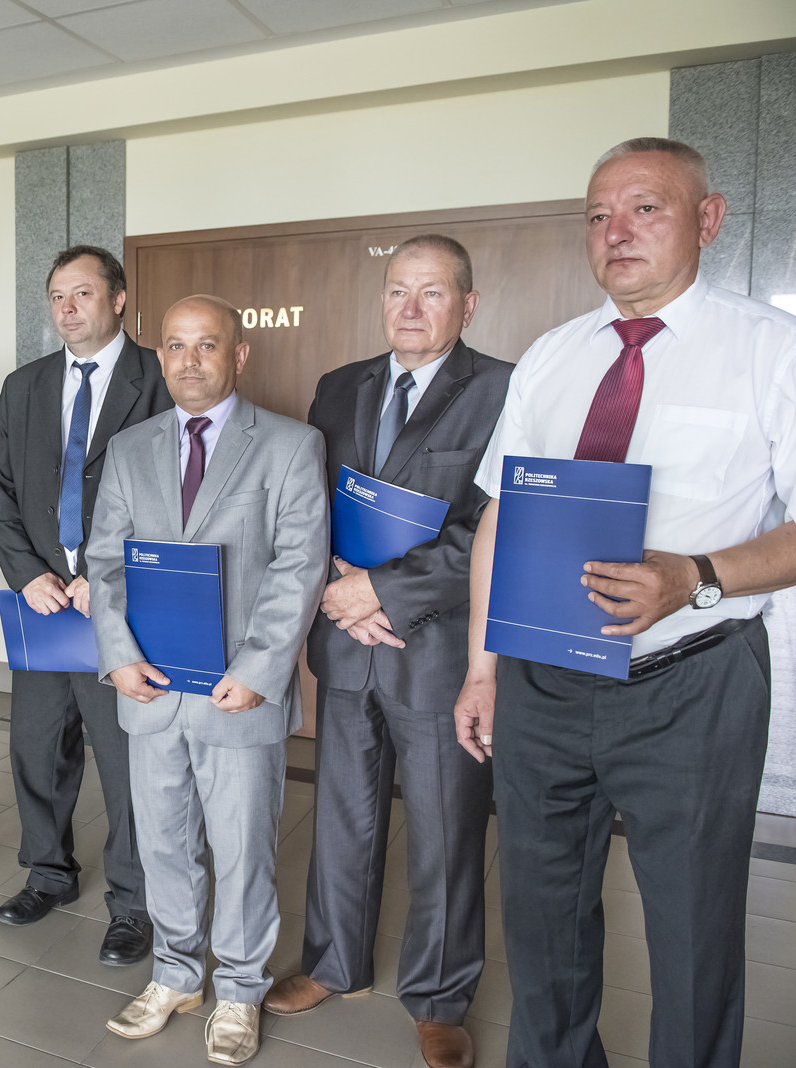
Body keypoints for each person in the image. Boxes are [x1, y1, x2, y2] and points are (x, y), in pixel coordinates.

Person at [454, 138, 796, 1066]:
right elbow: (501, 516)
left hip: (691, 684)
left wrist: (695, 575)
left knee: (691, 927)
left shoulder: (775, 352)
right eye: (598, 215)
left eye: (646, 208)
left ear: (709, 219)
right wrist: (482, 668)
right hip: (543, 676)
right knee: (540, 915)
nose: (617, 232)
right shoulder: (553, 356)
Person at [265, 235, 510, 1068]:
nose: (410, 308)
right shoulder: (340, 386)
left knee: (445, 830)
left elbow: (495, 528)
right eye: (398, 290)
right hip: (345, 639)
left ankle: (439, 997)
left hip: (439, 652)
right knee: (342, 815)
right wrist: (338, 586)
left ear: (467, 305)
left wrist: (384, 591)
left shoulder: (504, 390)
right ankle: (333, 963)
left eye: (431, 292)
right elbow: (308, 502)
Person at [89, 294, 328, 1065]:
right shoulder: (129, 448)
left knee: (243, 849)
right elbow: (105, 561)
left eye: (207, 345)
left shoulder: (290, 445)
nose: (189, 361)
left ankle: (241, 989)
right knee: (163, 845)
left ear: (239, 354)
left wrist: (260, 670)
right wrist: (118, 655)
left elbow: (300, 565)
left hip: (238, 693)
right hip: (152, 689)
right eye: (175, 345)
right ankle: (175, 974)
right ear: (158, 355)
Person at [0, 244, 170, 965]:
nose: (67, 308)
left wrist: (105, 572)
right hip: (41, 602)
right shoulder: (24, 385)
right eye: (57, 295)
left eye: (83, 293)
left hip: (120, 606)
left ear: (118, 299)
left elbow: (176, 491)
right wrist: (26, 572)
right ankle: (48, 873)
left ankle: (134, 902)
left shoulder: (158, 378)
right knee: (37, 747)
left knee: (124, 761)